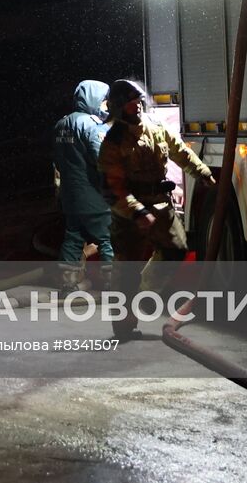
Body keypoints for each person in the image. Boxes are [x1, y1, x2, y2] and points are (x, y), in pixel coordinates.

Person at [98, 78, 214, 339]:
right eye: (129, 103)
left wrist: (202, 172)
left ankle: (143, 295)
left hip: (161, 204)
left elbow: (179, 151)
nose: (136, 106)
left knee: (177, 248)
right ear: (119, 107)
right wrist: (137, 210)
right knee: (126, 267)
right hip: (129, 214)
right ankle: (124, 325)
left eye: (138, 101)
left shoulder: (156, 127)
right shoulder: (113, 142)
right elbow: (112, 187)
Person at [52, 79, 113, 288]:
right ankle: (114, 284)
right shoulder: (92, 125)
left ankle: (67, 284)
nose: (106, 106)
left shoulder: (61, 124)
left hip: (70, 196)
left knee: (73, 237)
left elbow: (58, 161)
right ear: (94, 99)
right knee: (108, 237)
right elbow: (102, 160)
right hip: (93, 197)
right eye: (104, 101)